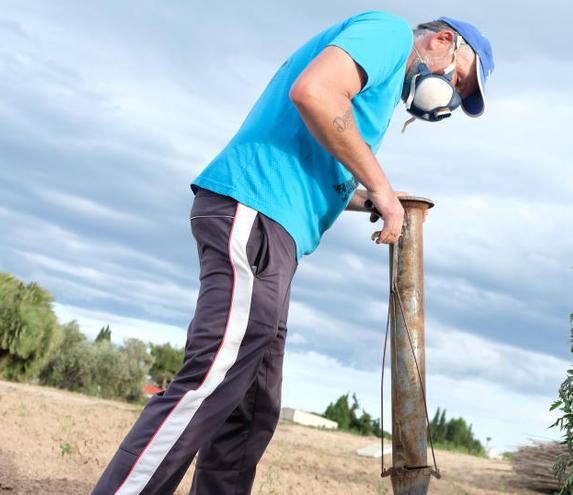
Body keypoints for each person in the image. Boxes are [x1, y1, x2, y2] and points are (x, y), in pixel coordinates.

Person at [92, 11, 494, 494]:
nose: (449, 95)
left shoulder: (380, 92)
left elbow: (324, 157)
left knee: (253, 406)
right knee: (212, 379)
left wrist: (370, 198)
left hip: (276, 233)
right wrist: (383, 190)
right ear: (444, 42)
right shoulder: (388, 33)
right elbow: (316, 94)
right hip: (254, 210)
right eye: (460, 80)